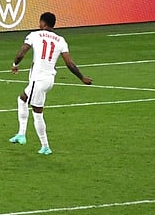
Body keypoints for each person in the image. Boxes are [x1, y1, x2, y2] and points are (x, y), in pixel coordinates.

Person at [9, 12, 93, 155]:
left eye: (40, 22)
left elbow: (22, 51)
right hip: (49, 80)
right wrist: (82, 77)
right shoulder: (60, 40)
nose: (38, 24)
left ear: (43, 23)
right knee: (22, 99)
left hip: (38, 79)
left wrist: (15, 63)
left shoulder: (35, 35)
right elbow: (69, 63)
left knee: (37, 112)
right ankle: (21, 133)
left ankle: (45, 146)